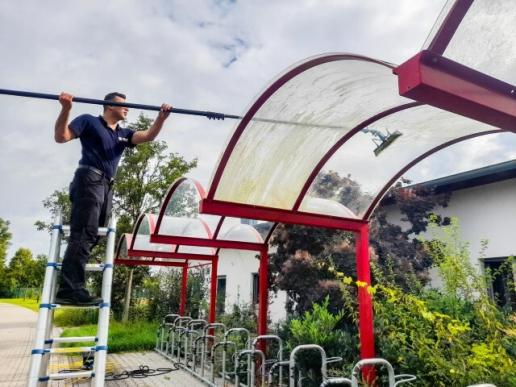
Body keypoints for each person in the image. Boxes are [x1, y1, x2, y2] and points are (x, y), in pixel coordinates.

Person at [54, 91, 172, 305]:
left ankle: (73, 285)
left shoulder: (123, 133)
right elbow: (61, 137)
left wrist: (161, 118)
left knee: (93, 235)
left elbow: (148, 136)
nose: (128, 108)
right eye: (123, 105)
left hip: (106, 186)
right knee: (84, 233)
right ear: (109, 106)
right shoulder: (89, 121)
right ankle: (69, 289)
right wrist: (66, 108)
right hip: (89, 179)